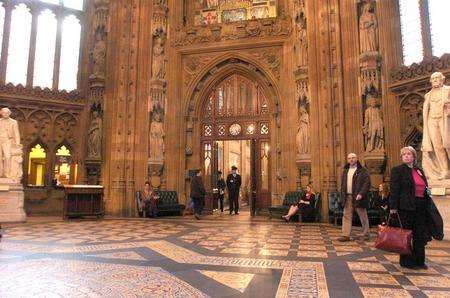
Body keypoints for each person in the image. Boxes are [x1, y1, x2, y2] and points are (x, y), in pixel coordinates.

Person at [389, 146, 431, 269]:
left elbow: (425, 187)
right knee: (406, 234)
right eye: (404, 154)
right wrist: (393, 207)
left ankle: (419, 261)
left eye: (409, 154)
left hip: (421, 206)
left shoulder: (419, 171)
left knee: (420, 234)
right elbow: (394, 189)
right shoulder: (398, 170)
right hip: (405, 207)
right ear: (402, 157)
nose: (406, 156)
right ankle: (406, 261)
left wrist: (428, 195)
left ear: (414, 156)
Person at [338, 153, 371, 242]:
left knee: (362, 215)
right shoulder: (345, 170)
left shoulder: (363, 170)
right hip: (347, 196)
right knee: (346, 215)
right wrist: (342, 194)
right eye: (349, 158)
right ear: (347, 160)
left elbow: (367, 183)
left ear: (357, 158)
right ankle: (345, 235)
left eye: (353, 158)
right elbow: (343, 184)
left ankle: (366, 233)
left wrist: (361, 194)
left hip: (358, 196)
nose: (351, 160)